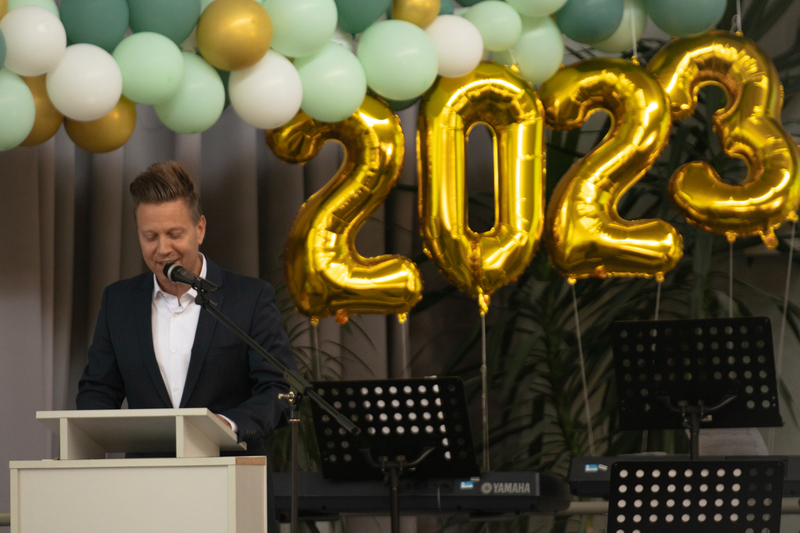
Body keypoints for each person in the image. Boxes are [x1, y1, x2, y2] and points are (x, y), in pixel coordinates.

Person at [76, 161, 296, 529]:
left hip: (231, 487)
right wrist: (85, 442)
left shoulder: (249, 298)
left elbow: (278, 388)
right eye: (150, 236)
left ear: (200, 229)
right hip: (144, 496)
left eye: (174, 234)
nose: (162, 249)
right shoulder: (118, 302)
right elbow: (98, 391)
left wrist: (225, 426)